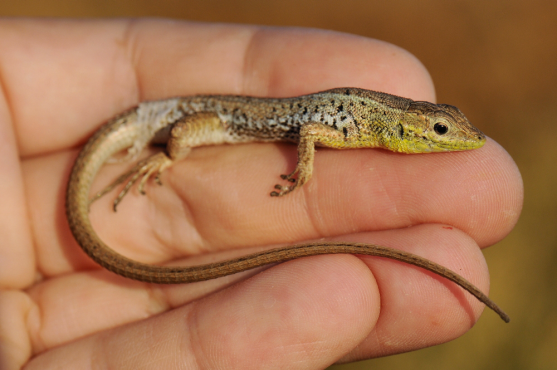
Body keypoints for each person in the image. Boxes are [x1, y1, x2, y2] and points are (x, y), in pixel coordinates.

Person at [0, 19, 522, 369]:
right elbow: (312, 131)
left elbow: (316, 126)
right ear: (410, 128)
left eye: (444, 130)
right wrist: (169, 153)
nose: (456, 139)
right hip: (201, 120)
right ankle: (160, 153)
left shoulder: (380, 122)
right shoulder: (367, 124)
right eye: (439, 131)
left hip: (196, 114)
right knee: (180, 142)